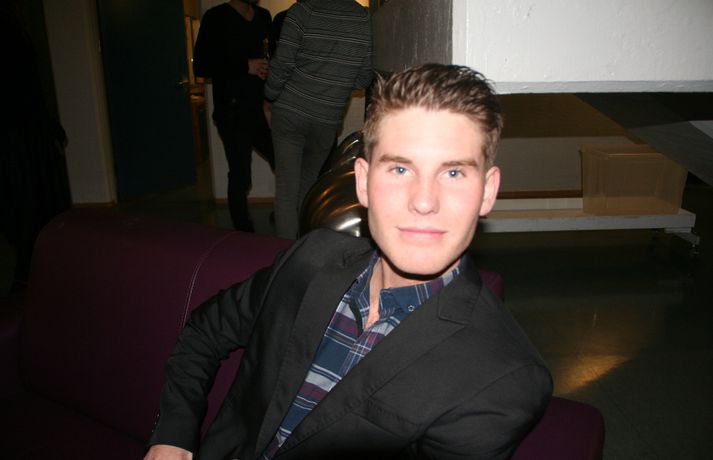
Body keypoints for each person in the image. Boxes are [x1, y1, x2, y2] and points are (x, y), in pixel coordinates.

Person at [145, 64, 552, 460]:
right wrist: (173, 436)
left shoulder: (503, 378)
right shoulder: (311, 257)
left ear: (488, 191)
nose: (424, 202)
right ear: (362, 182)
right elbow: (205, 331)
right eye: (400, 168)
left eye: (454, 173)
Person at [263, 0, 373, 239]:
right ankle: (304, 248)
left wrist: (269, 95)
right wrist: (334, 81)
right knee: (308, 185)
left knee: (286, 189)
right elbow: (364, 78)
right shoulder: (362, 17)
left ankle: (285, 253)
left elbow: (282, 64)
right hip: (327, 117)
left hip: (290, 111)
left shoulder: (302, 11)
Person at [193, 0, 275, 232]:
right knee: (241, 175)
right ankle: (242, 233)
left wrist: (269, 97)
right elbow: (201, 66)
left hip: (261, 110)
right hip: (232, 112)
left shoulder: (263, 16)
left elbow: (271, 56)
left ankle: (285, 212)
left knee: (283, 160)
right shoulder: (216, 17)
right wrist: (244, 66)